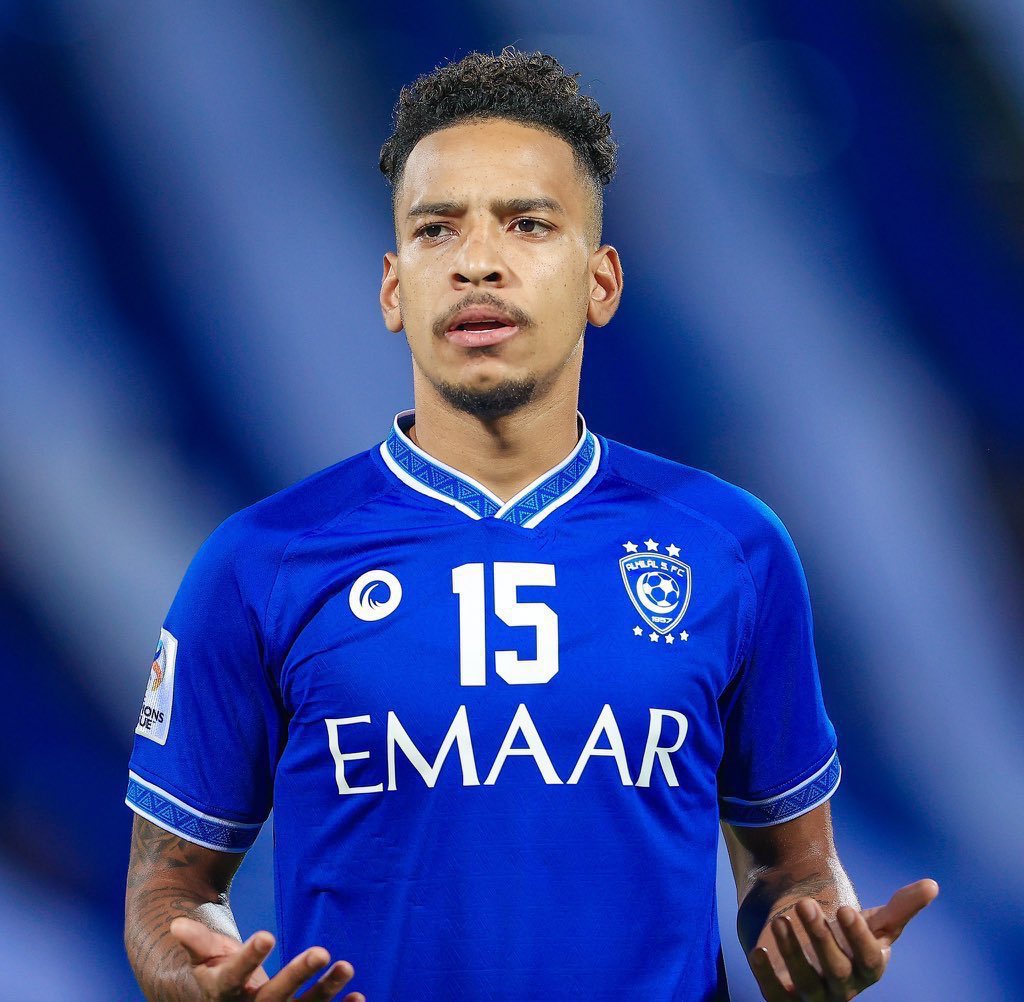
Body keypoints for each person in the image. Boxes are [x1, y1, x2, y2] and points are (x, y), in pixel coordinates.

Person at [124, 48, 938, 1001]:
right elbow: (168, 889)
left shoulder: (731, 548)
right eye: (437, 229)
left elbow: (790, 869)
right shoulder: (259, 562)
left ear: (601, 281)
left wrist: (812, 939)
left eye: (527, 224)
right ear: (394, 287)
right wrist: (196, 979)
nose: (477, 261)